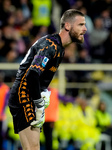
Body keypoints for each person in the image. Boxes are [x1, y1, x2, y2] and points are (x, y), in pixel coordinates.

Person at [8, 9, 87, 150]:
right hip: (24, 94)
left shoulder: (59, 48)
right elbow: (32, 74)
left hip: (26, 94)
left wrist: (42, 92)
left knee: (31, 148)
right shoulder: (51, 46)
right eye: (81, 24)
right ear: (67, 26)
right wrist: (39, 103)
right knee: (33, 148)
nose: (85, 29)